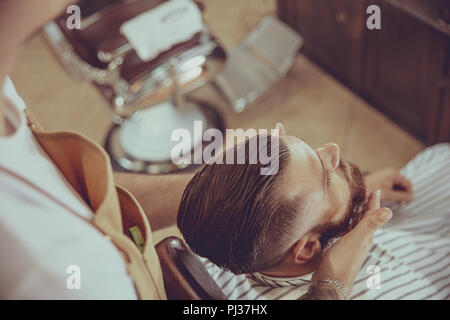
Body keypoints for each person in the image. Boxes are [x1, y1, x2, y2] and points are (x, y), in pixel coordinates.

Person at [177, 126, 450, 300]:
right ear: (308, 248)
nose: (332, 149)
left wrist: (350, 192)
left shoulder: (218, 254)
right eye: (326, 180)